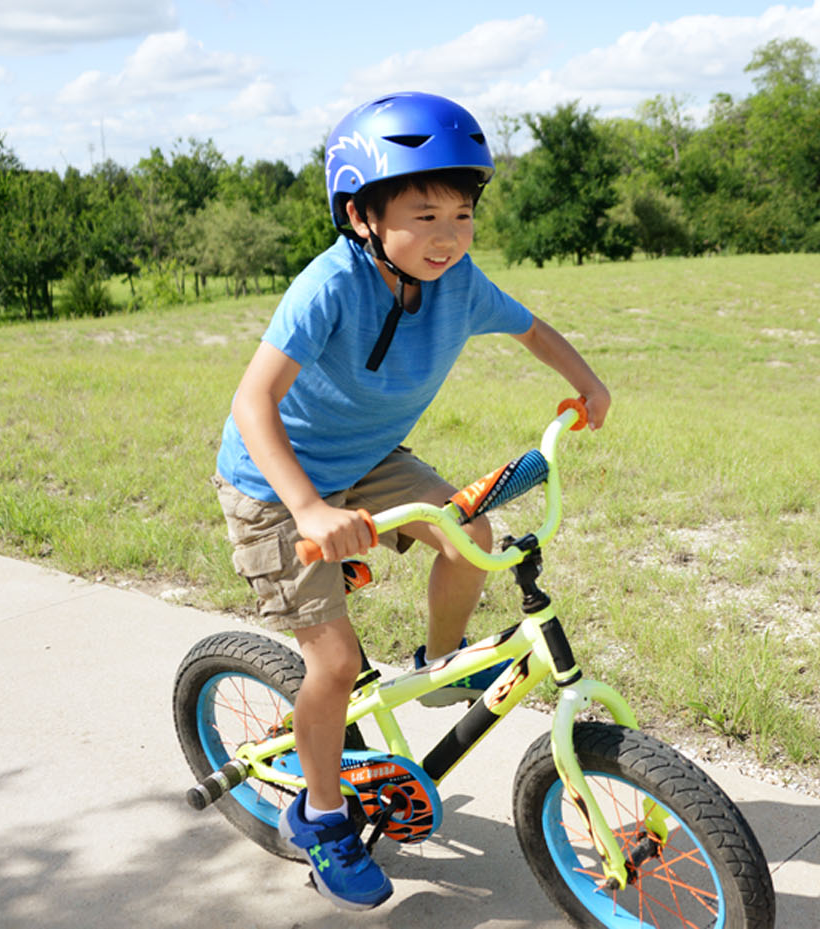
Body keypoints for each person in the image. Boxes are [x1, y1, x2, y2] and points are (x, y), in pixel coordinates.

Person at [212, 91, 610, 910]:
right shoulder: (327, 286)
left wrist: (584, 380)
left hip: (369, 459)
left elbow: (531, 328)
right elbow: (255, 405)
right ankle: (321, 818)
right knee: (334, 662)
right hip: (275, 482)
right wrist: (312, 510)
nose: (447, 235)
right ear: (362, 215)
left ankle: (437, 664)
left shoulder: (459, 284)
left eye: (461, 215)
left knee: (471, 524)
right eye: (424, 213)